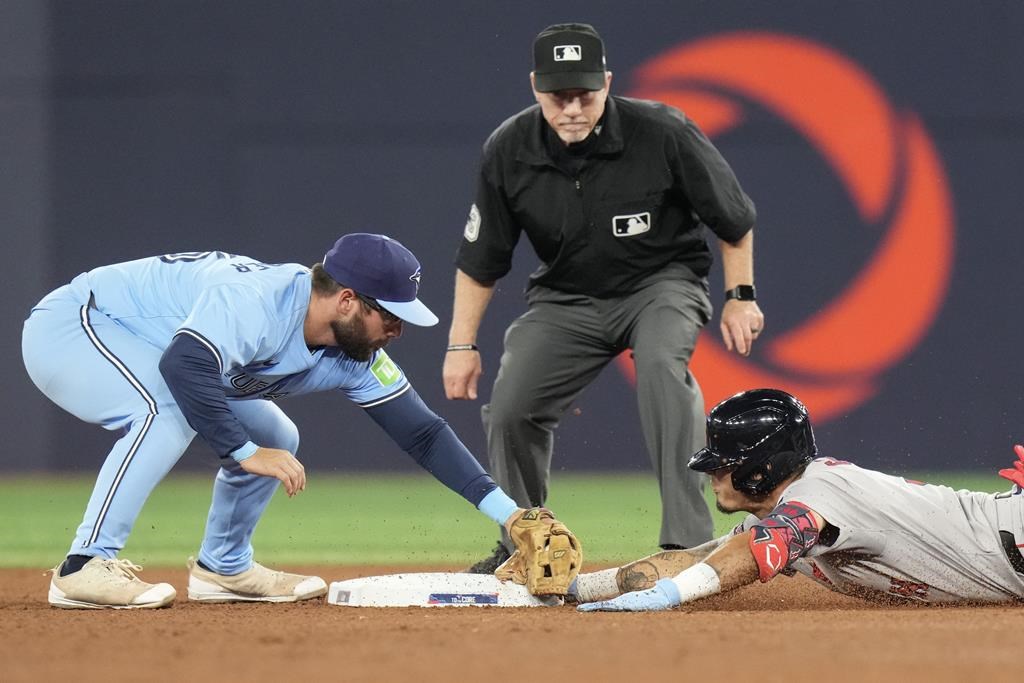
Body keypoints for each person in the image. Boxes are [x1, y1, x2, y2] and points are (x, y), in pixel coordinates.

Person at [23, 233, 543, 609]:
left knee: (277, 434)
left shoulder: (351, 352)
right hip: (79, 326)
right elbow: (184, 365)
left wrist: (509, 514)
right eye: (390, 316)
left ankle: (221, 568)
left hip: (164, 349)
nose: (397, 331)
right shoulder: (258, 302)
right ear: (346, 300)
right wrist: (244, 455)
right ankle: (83, 565)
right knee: (167, 409)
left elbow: (423, 434)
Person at [444, 22, 764, 572]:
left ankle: (687, 545)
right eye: (557, 95)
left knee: (663, 367)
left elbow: (733, 220)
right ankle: (523, 542)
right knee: (513, 405)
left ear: (608, 83)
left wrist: (741, 295)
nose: (571, 108)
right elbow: (481, 260)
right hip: (567, 298)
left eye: (584, 94)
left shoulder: (662, 132)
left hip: (662, 283)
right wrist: (460, 344)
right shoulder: (509, 149)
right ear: (535, 89)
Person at [573, 389, 1024, 610]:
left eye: (724, 462)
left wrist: (667, 597)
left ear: (761, 467)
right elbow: (701, 559)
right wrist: (570, 590)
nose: (713, 473)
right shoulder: (790, 511)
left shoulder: (818, 495)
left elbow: (756, 552)